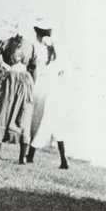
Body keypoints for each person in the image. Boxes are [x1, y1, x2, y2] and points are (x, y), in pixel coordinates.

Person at [0, 32, 36, 164]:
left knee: (3, 113)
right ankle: (22, 157)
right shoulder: (30, 46)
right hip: (25, 81)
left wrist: (1, 68)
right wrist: (31, 83)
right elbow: (34, 68)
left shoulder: (4, 42)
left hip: (8, 81)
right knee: (23, 115)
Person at [26, 22, 69, 169]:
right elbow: (62, 72)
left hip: (43, 88)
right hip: (56, 89)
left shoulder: (40, 51)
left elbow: (35, 70)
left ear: (39, 35)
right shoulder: (56, 51)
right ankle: (63, 159)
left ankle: (30, 154)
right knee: (54, 122)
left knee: (39, 119)